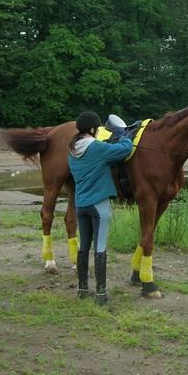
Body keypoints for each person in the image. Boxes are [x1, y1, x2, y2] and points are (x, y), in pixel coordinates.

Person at [68, 111, 133, 305]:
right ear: (94, 129)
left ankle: (82, 289)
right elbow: (125, 149)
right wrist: (122, 134)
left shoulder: (72, 151)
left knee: (84, 247)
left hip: (81, 205)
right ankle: (101, 294)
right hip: (99, 206)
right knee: (101, 247)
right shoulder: (96, 148)